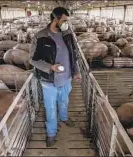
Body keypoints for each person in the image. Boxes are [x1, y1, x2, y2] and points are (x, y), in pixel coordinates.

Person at [29, 7, 82, 147]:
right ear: (55, 19)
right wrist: (50, 67)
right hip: (49, 81)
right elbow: (33, 60)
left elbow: (73, 56)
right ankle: (51, 133)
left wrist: (76, 72)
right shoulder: (41, 36)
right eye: (64, 20)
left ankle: (64, 118)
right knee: (50, 108)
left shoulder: (68, 34)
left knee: (64, 101)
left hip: (66, 78)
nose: (66, 23)